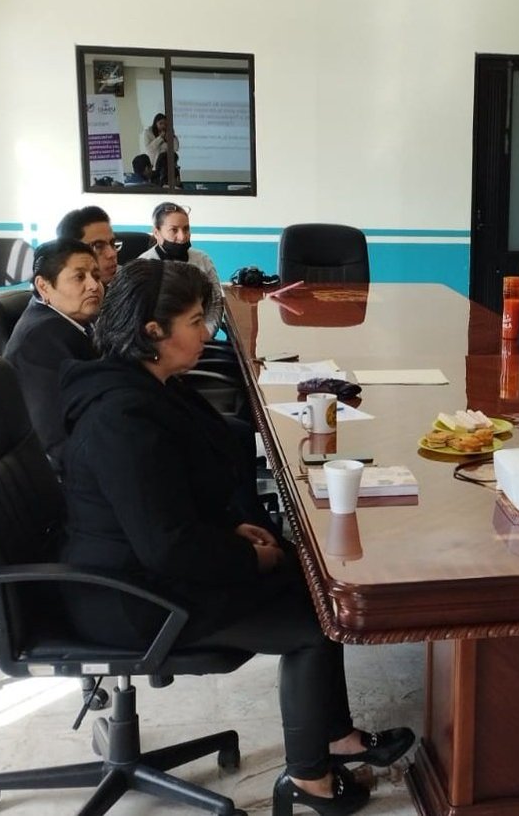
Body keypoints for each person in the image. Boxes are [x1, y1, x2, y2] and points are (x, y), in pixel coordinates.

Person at [59, 260, 414, 816]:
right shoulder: (121, 419)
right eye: (196, 321)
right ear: (154, 331)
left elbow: (167, 507)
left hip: (146, 566)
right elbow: (166, 545)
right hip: (128, 596)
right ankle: (309, 780)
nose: (208, 333)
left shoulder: (152, 387)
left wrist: (230, 531)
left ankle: (335, 735)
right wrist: (250, 560)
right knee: (310, 623)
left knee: (313, 581)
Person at [4, 239, 102, 469]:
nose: (94, 286)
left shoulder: (73, 323)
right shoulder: (39, 342)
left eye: (96, 276)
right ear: (44, 286)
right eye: (80, 277)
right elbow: (55, 440)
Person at [138, 202, 223, 335]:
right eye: (174, 230)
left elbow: (215, 304)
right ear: (156, 232)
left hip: (200, 338)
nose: (182, 237)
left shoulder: (203, 260)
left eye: (186, 229)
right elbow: (137, 315)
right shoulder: (143, 265)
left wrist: (206, 332)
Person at [55, 205, 120, 286]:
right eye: (98, 246)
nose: (112, 254)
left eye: (113, 244)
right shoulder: (56, 294)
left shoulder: (129, 280)